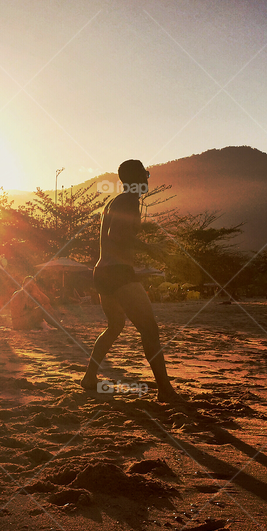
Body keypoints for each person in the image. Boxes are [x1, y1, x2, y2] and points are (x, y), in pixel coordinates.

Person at [80, 160, 179, 402]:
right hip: (118, 272)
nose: (147, 179)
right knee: (150, 330)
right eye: (146, 174)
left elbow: (116, 234)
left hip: (102, 272)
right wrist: (151, 248)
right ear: (138, 178)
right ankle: (165, 390)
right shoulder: (129, 201)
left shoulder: (114, 201)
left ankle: (89, 377)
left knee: (115, 326)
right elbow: (117, 235)